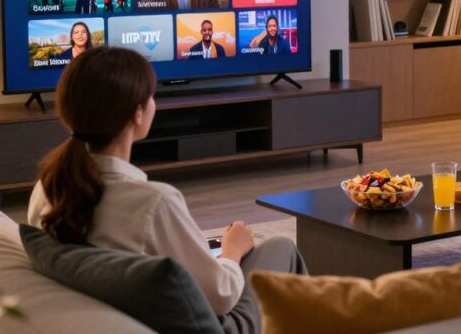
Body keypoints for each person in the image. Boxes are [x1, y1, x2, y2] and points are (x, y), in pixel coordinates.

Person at [28, 47, 307, 331]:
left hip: (130, 312)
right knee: (281, 247)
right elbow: (220, 296)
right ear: (137, 113)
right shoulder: (153, 203)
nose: (153, 103)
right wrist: (231, 252)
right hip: (207, 326)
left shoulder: (48, 187)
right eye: (151, 95)